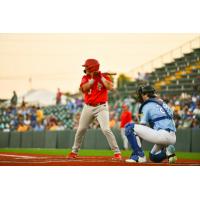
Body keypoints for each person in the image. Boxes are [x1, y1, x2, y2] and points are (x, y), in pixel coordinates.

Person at [67, 58, 121, 159]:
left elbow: (110, 87)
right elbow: (84, 88)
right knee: (81, 129)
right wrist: (93, 80)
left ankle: (117, 152)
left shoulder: (104, 76)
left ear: (92, 67)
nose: (85, 68)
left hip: (101, 107)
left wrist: (101, 77)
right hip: (88, 107)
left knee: (106, 129)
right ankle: (74, 151)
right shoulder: (85, 77)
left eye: (87, 67)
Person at [125, 85, 177, 164]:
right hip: (172, 137)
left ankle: (139, 156)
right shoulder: (162, 102)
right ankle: (167, 152)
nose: (140, 96)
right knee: (153, 157)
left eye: (142, 94)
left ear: (146, 95)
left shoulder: (146, 105)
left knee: (129, 127)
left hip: (162, 135)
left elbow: (142, 125)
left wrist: (137, 148)